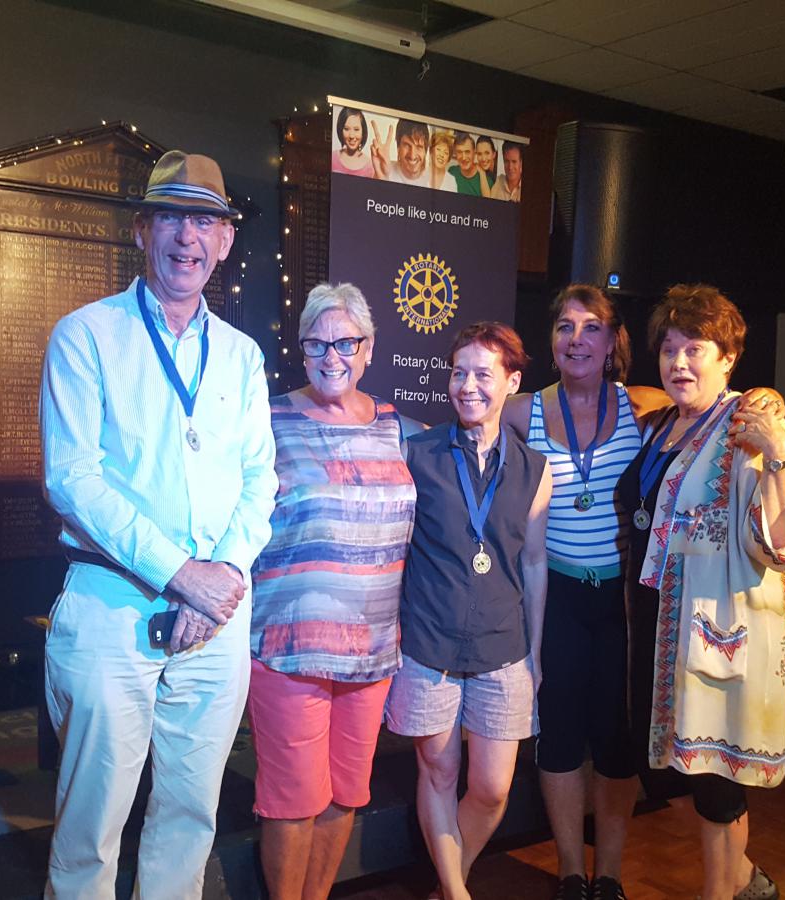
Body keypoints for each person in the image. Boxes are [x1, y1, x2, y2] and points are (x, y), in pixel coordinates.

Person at [40, 150, 277, 900]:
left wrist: (222, 577)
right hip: (113, 606)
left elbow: (260, 479)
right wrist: (183, 577)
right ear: (142, 230)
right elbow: (72, 479)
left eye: (205, 221)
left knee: (189, 819)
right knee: (90, 829)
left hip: (216, 620)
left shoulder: (240, 356)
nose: (188, 237)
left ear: (226, 240)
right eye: (171, 217)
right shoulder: (86, 335)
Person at [615, 284, 785, 900]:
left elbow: (784, 545)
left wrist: (779, 459)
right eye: (668, 349)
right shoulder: (660, 424)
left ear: (727, 358)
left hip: (715, 627)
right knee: (665, 773)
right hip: (655, 625)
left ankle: (719, 892)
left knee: (715, 785)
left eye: (694, 349)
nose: (679, 362)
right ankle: (746, 880)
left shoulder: (749, 426)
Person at [248, 284, 416, 900]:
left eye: (345, 343)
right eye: (316, 344)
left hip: (373, 651)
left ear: (368, 348)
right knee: (292, 801)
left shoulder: (395, 424)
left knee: (347, 792)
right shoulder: (268, 419)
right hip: (290, 646)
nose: (331, 356)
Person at [500, 286, 662, 900]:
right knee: (561, 736)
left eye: (591, 327)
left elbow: (712, 404)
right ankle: (572, 873)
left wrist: (767, 402)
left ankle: (610, 875)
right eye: (565, 327)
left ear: (612, 341)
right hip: (558, 600)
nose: (577, 339)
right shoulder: (523, 412)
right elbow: (463, 420)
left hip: (622, 604)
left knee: (617, 742)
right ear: (551, 342)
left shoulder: (644, 406)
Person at [389, 322, 551, 900]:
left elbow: (533, 563)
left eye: (483, 374)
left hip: (503, 647)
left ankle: (447, 884)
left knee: (492, 789)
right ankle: (456, 892)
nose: (468, 386)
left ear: (512, 382)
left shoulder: (535, 469)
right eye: (459, 373)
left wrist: (535, 652)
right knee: (438, 772)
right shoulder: (417, 454)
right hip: (428, 644)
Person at [380, 119, 454, 190]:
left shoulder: (432, 180)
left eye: (419, 147)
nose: (412, 155)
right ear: (398, 147)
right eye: (407, 145)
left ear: (425, 151)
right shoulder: (385, 170)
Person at [333, 107, 373, 176]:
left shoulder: (370, 165)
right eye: (346, 129)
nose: (351, 135)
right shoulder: (333, 157)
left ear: (363, 132)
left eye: (356, 129)